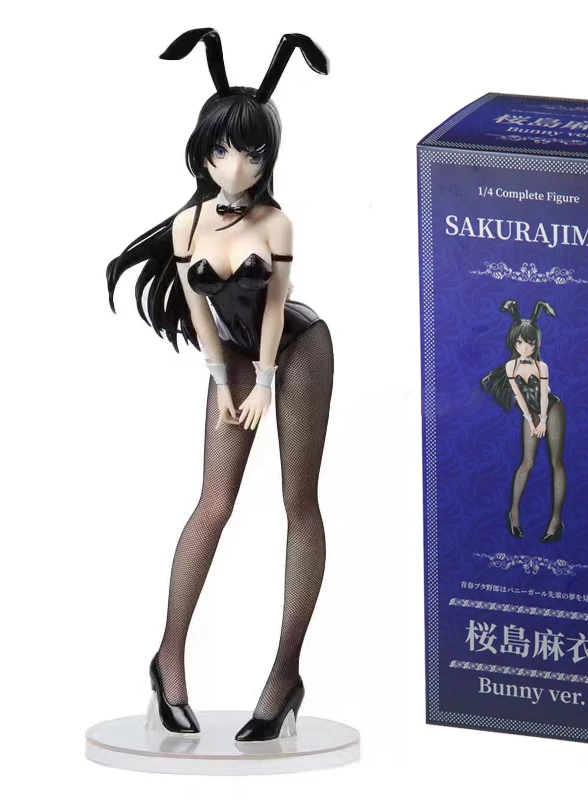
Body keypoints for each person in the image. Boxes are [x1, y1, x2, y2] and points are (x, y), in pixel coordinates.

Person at [106, 28, 332, 742]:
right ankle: (167, 662)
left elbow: (275, 308)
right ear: (203, 150)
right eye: (225, 150)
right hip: (229, 356)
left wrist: (264, 381)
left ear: (269, 157)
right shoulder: (188, 225)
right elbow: (201, 312)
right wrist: (221, 378)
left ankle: (284, 676)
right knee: (214, 502)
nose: (237, 166)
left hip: (296, 350)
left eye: (253, 153)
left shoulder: (276, 223)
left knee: (298, 501)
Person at [480, 299, 567, 542]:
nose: (525, 347)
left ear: (536, 343)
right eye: (520, 342)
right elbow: (518, 396)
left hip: (551, 408)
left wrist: (543, 420)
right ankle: (514, 512)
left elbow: (543, 396)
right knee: (527, 462)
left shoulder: (542, 366)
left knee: (556, 461)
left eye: (530, 343)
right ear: (514, 341)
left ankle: (556, 521)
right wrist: (530, 420)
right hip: (530, 412)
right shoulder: (511, 366)